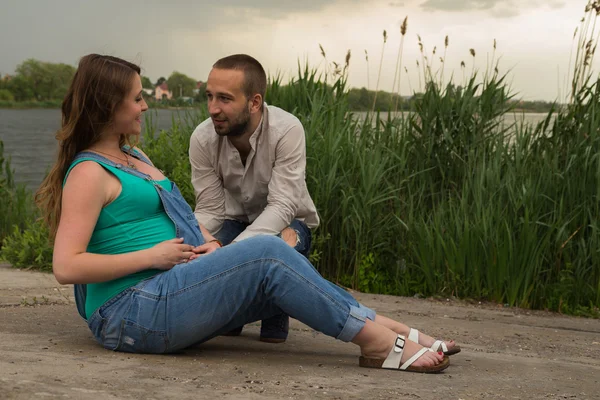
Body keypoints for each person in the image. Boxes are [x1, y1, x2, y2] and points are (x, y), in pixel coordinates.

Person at [36, 54, 458, 374]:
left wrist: (209, 249)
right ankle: (379, 346)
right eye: (138, 97)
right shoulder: (90, 171)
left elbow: (199, 216)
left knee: (285, 269)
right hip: (129, 311)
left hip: (167, 288)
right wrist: (153, 257)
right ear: (109, 106)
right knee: (266, 252)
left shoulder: (134, 156)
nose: (145, 106)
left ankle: (399, 332)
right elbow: (65, 265)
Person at [189, 54, 319, 343]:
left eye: (224, 99)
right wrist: (193, 239)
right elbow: (209, 209)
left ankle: (273, 317)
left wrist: (228, 255)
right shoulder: (202, 138)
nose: (213, 109)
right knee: (200, 244)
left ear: (255, 102)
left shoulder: (287, 130)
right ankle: (235, 314)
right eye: (209, 97)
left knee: (283, 243)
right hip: (233, 220)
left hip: (288, 223)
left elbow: (283, 206)